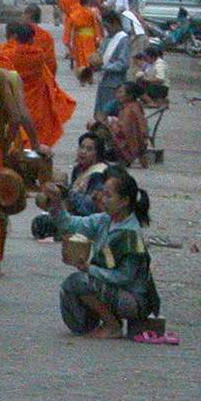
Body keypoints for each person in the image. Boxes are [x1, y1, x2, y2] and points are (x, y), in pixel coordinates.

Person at [40, 165, 159, 340]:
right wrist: (57, 203)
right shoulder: (105, 220)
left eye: (108, 195)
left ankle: (113, 325)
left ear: (124, 201)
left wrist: (90, 269)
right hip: (116, 290)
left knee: (79, 282)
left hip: (133, 299)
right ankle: (100, 322)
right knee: (71, 288)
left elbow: (124, 277)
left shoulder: (130, 234)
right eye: (103, 193)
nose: (102, 199)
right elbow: (70, 224)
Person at [0, 19, 77, 149]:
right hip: (35, 102)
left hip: (13, 100)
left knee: (16, 137)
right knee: (36, 132)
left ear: (14, 36)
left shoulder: (6, 54)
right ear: (31, 39)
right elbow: (51, 67)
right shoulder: (38, 55)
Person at [63, 130, 115, 214]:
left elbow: (91, 205)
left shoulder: (99, 173)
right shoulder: (78, 169)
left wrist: (68, 194)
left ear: (97, 153)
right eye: (81, 147)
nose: (83, 152)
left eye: (89, 149)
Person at [95, 10, 134, 118]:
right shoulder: (107, 39)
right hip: (104, 82)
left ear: (115, 23)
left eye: (108, 27)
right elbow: (100, 54)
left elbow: (123, 63)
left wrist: (104, 67)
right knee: (100, 112)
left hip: (115, 84)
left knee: (110, 114)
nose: (107, 30)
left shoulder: (123, 39)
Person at [110, 81, 150, 168]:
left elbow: (125, 129)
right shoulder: (133, 106)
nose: (117, 95)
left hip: (130, 141)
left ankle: (124, 157)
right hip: (138, 140)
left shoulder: (130, 110)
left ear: (130, 95)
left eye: (121, 92)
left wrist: (113, 124)